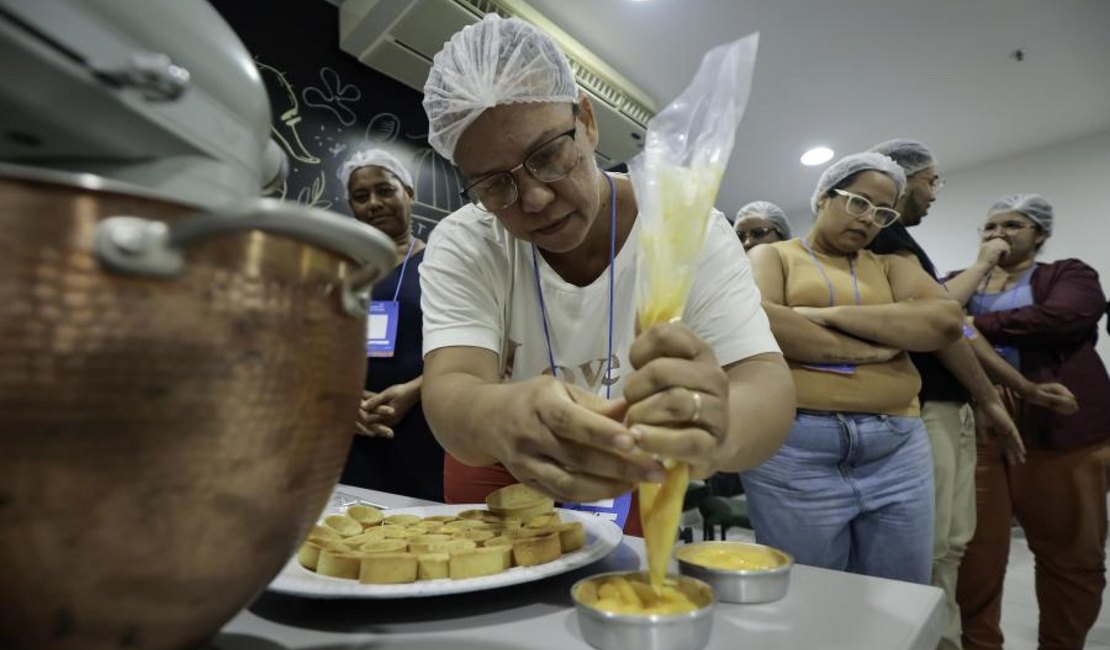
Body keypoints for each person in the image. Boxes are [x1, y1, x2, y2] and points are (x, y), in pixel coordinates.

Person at [416, 14, 795, 532]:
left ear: (588, 122)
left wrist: (720, 424)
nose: (535, 198)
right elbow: (450, 387)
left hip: (630, 460)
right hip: (500, 459)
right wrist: (497, 415)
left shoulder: (686, 227)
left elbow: (764, 383)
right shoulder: (467, 241)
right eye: (493, 186)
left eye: (548, 155)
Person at [866, 139, 1073, 650]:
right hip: (924, 407)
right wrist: (982, 264)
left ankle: (949, 637)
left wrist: (1012, 388)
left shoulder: (910, 249)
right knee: (934, 543)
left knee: (956, 540)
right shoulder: (886, 236)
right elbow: (942, 320)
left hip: (952, 405)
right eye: (931, 180)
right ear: (903, 177)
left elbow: (959, 328)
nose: (935, 193)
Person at [742, 152, 964, 584]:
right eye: (858, 202)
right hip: (796, 447)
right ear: (824, 197)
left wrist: (822, 315)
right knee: (812, 595)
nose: (868, 219)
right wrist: (880, 345)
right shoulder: (773, 256)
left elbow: (946, 322)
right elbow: (764, 320)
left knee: (900, 593)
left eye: (882, 213)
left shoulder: (893, 265)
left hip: (897, 448)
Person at [946, 195, 1110, 650]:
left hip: (1062, 421)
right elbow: (934, 317)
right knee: (975, 554)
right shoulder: (959, 280)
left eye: (1013, 224)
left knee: (1070, 553)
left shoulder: (1069, 275)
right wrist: (977, 271)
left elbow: (1063, 317)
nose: (998, 233)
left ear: (1039, 233)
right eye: (989, 226)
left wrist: (971, 324)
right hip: (977, 420)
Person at [336, 148, 444, 502]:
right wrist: (343, 398)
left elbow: (478, 348)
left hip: (425, 423)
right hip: (352, 427)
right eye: (360, 196)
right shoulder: (338, 270)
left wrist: (414, 391)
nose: (374, 203)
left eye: (385, 190)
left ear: (409, 194)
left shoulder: (443, 263)